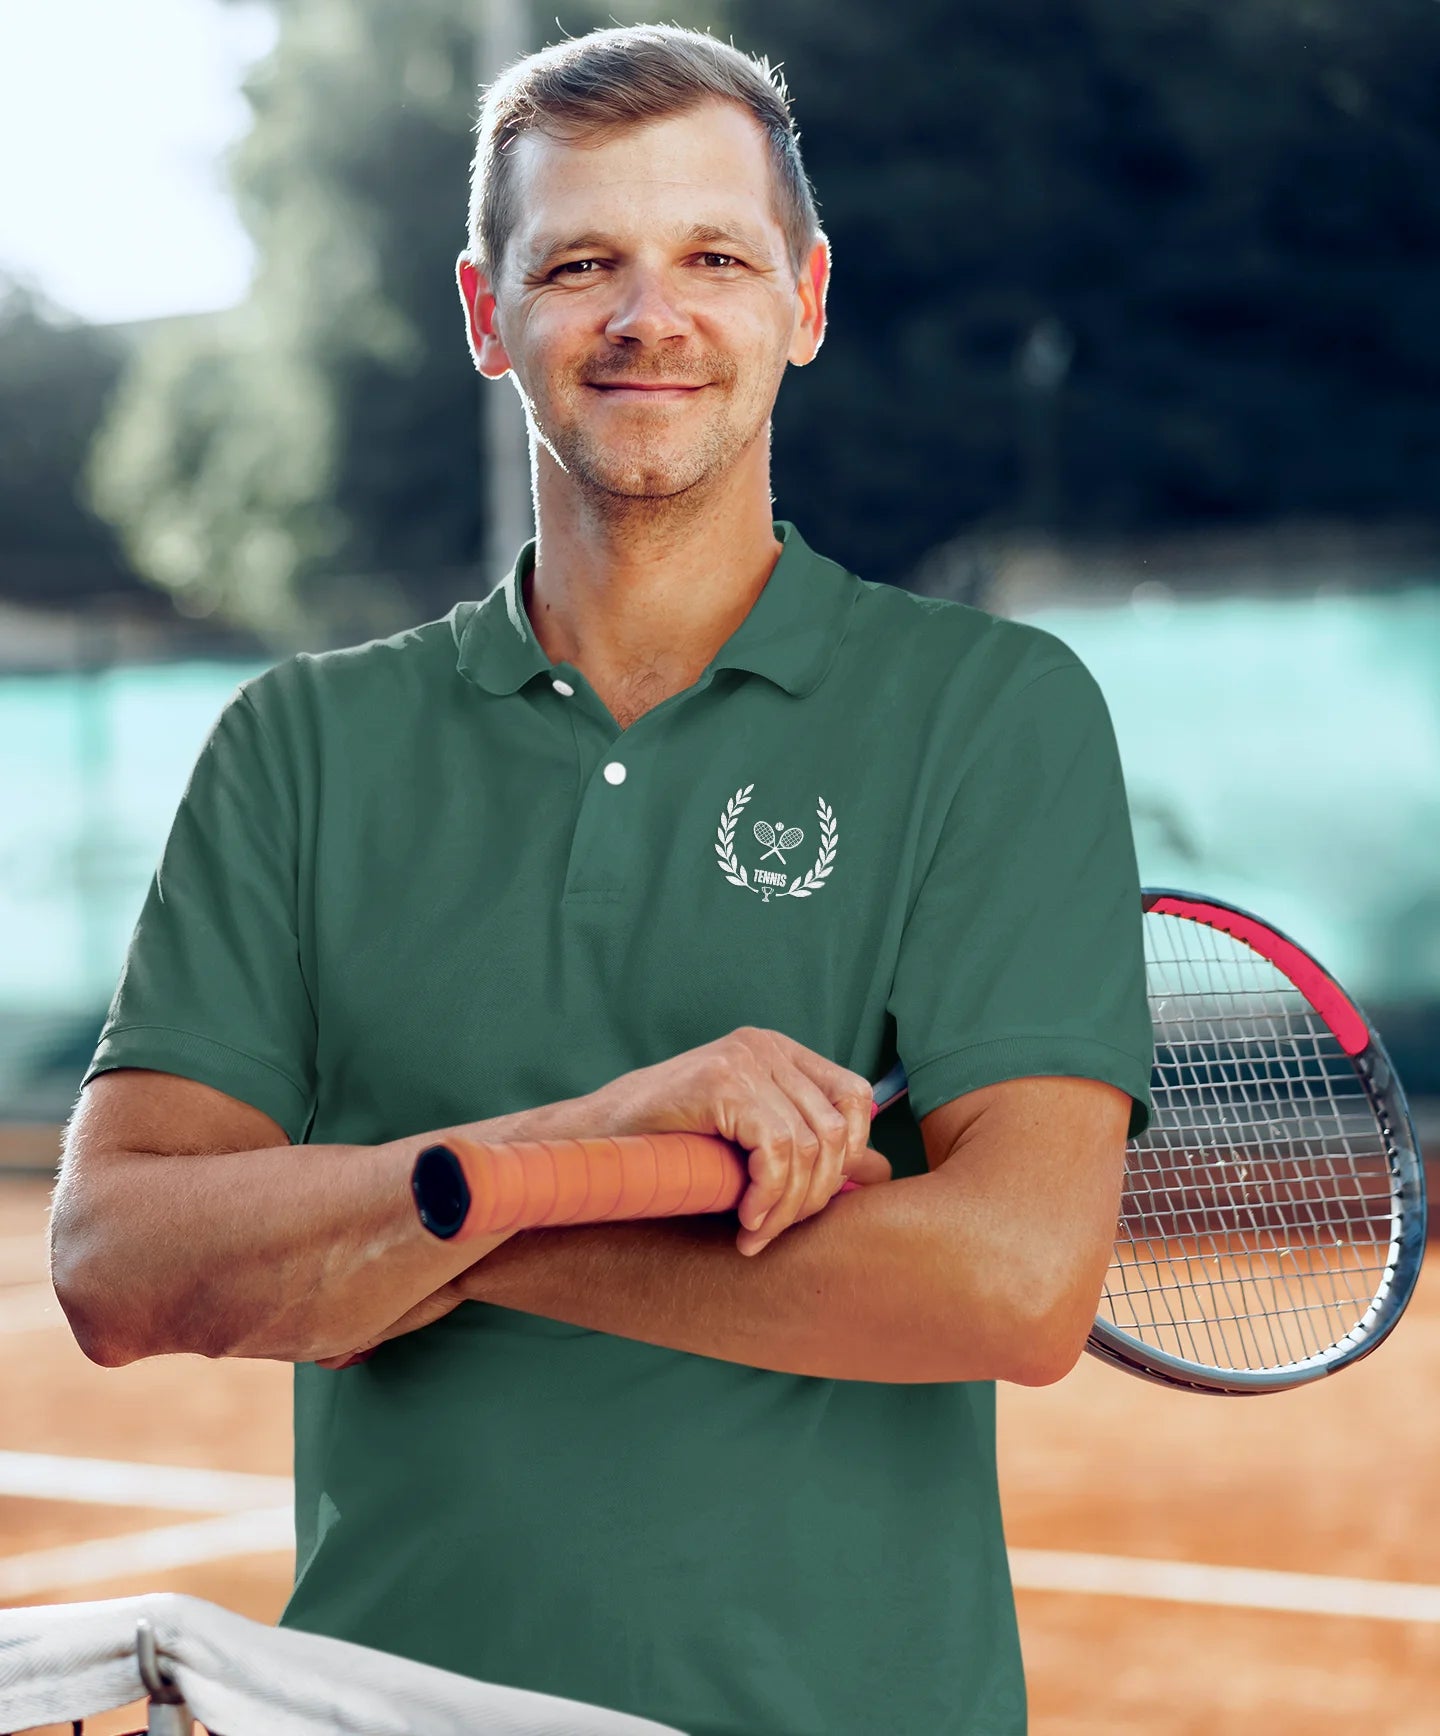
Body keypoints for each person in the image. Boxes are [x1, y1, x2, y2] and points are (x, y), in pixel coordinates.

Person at [51, 23, 1153, 1736]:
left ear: (807, 296)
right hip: (368, 1713)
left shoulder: (992, 713)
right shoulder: (301, 743)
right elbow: (119, 1257)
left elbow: (1015, 1280)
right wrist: (598, 1140)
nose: (653, 318)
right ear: (490, 317)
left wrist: (448, 1230)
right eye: (583, 263)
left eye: (715, 255)